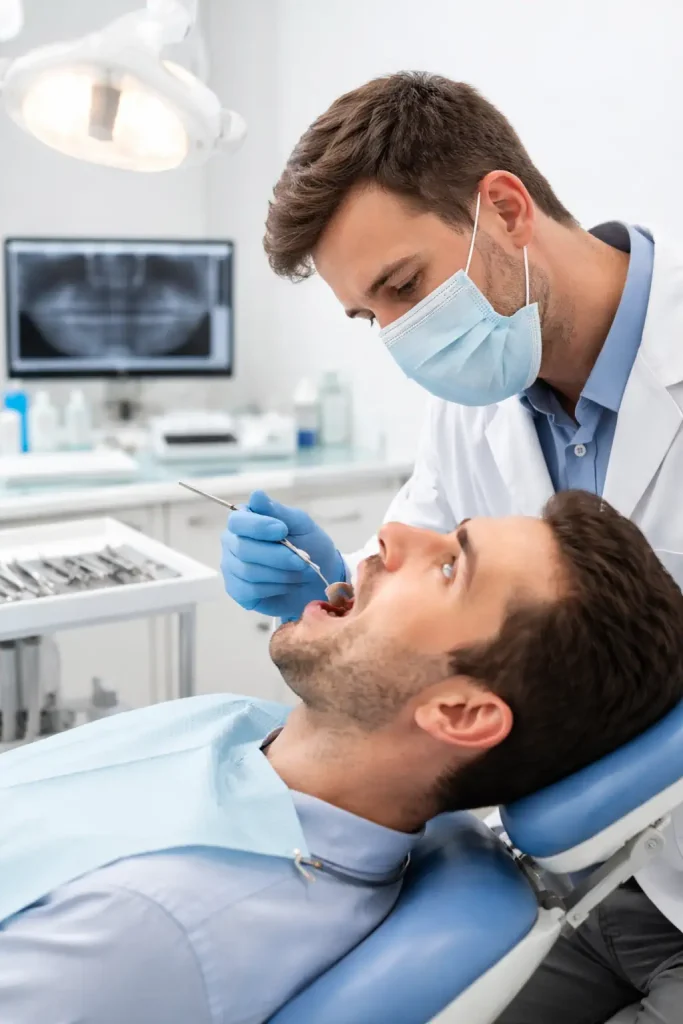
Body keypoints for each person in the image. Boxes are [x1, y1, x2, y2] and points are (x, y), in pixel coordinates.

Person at [220, 71, 683, 1019]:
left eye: (402, 287)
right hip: (582, 886)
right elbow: (421, 567)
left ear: (505, 208)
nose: (398, 336)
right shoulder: (472, 408)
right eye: (370, 317)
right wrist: (329, 588)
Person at [1, 491, 681, 1024]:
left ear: (461, 713)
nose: (390, 536)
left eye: (449, 566)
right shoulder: (243, 733)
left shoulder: (151, 928)